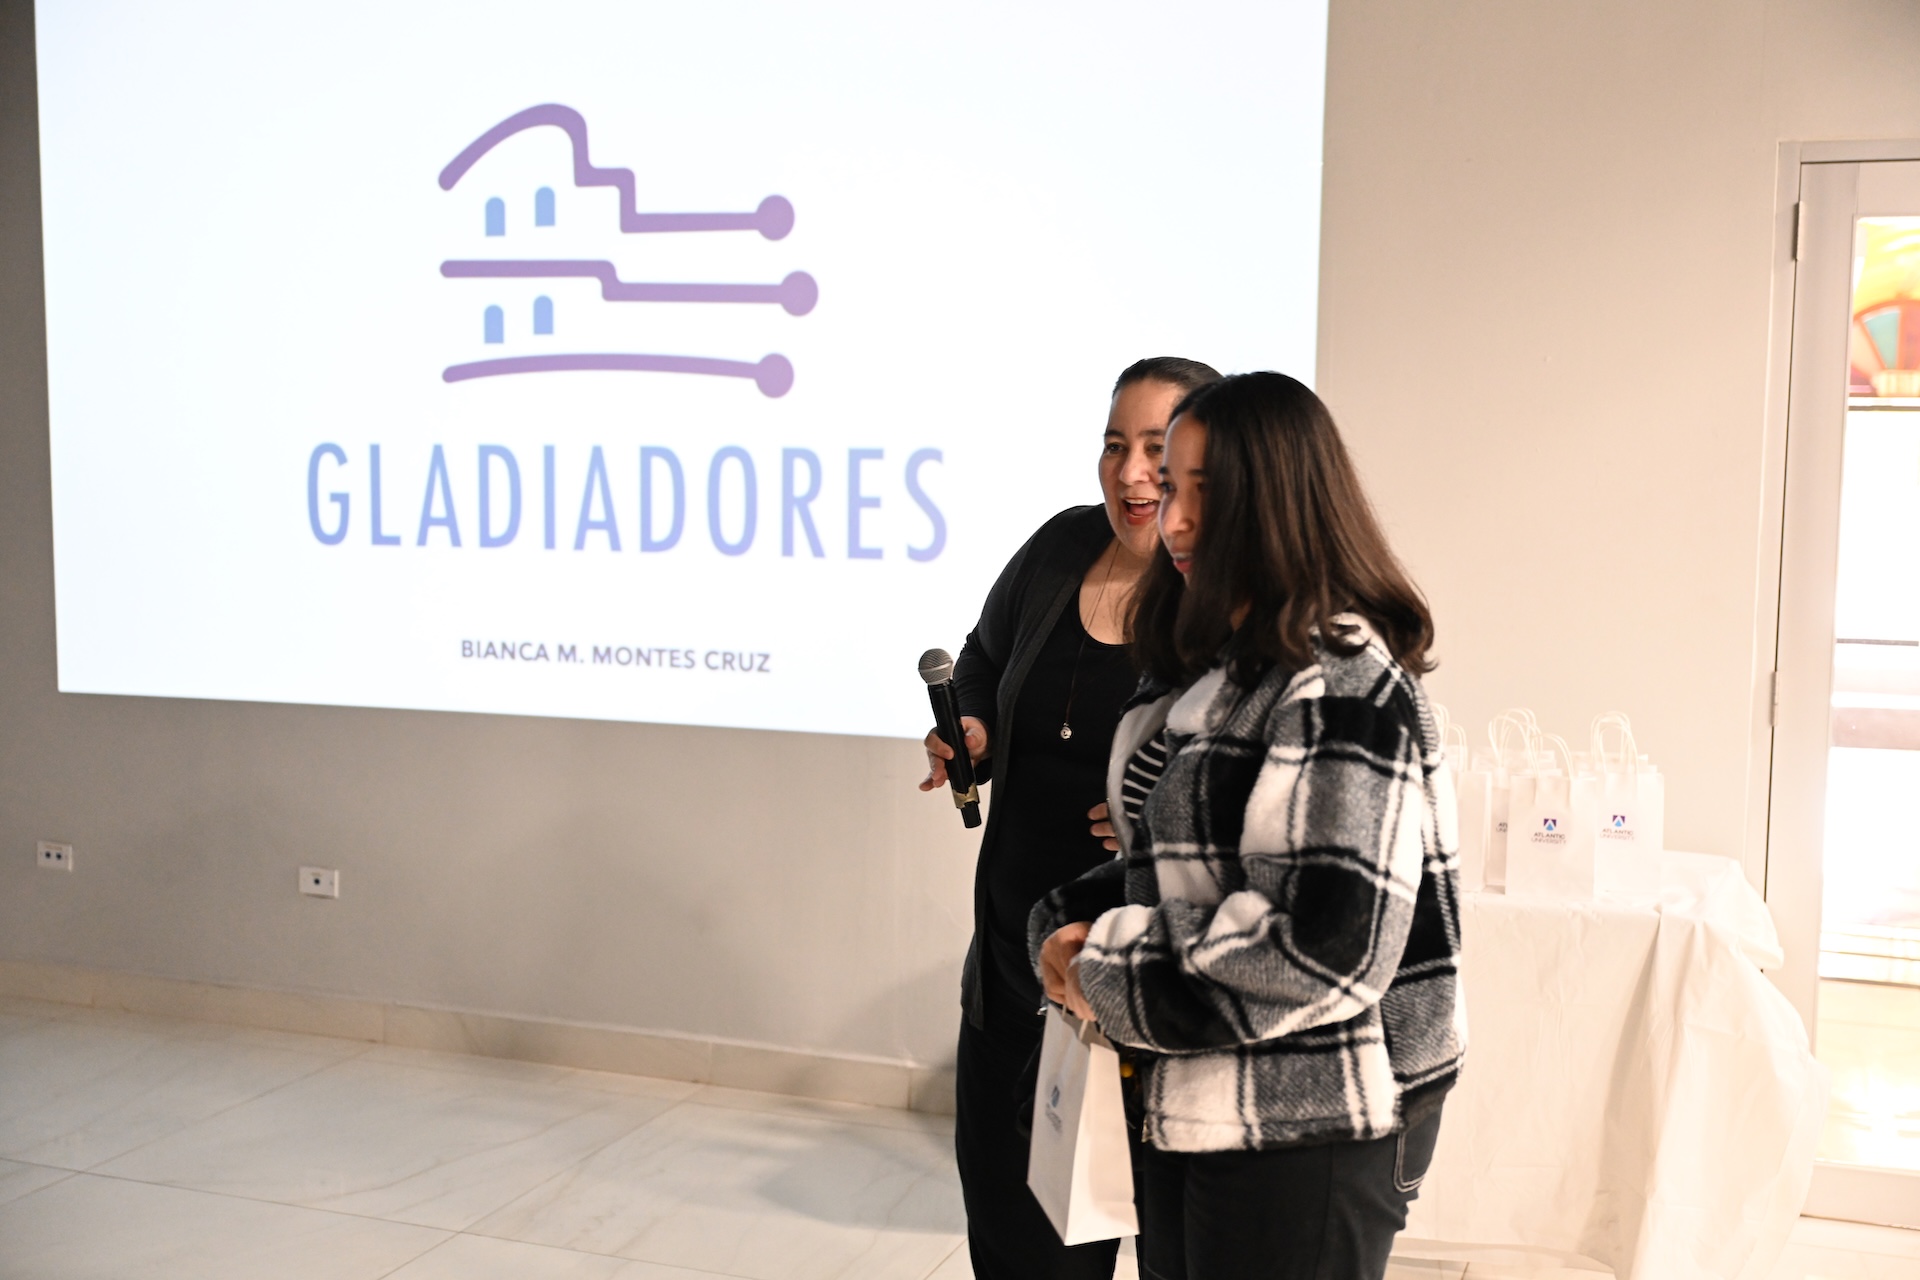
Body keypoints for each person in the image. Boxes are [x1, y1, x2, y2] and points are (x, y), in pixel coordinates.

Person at [1032, 372, 1465, 1280]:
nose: (1176, 519)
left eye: (1205, 491)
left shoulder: (1341, 678)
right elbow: (1174, 866)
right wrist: (1064, 925)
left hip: (1307, 1124)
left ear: (1278, 503)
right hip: (1190, 1098)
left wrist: (1107, 967)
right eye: (1170, 487)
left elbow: (1326, 946)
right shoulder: (1216, 666)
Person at [921, 357, 1220, 1280]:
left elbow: (1248, 789)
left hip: (1149, 994)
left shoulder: (1223, 600)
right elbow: (983, 654)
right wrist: (974, 724)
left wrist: (1161, 823)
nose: (1131, 474)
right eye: (1114, 445)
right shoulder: (1060, 548)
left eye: (1157, 450)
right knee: (1022, 1250)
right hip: (1018, 977)